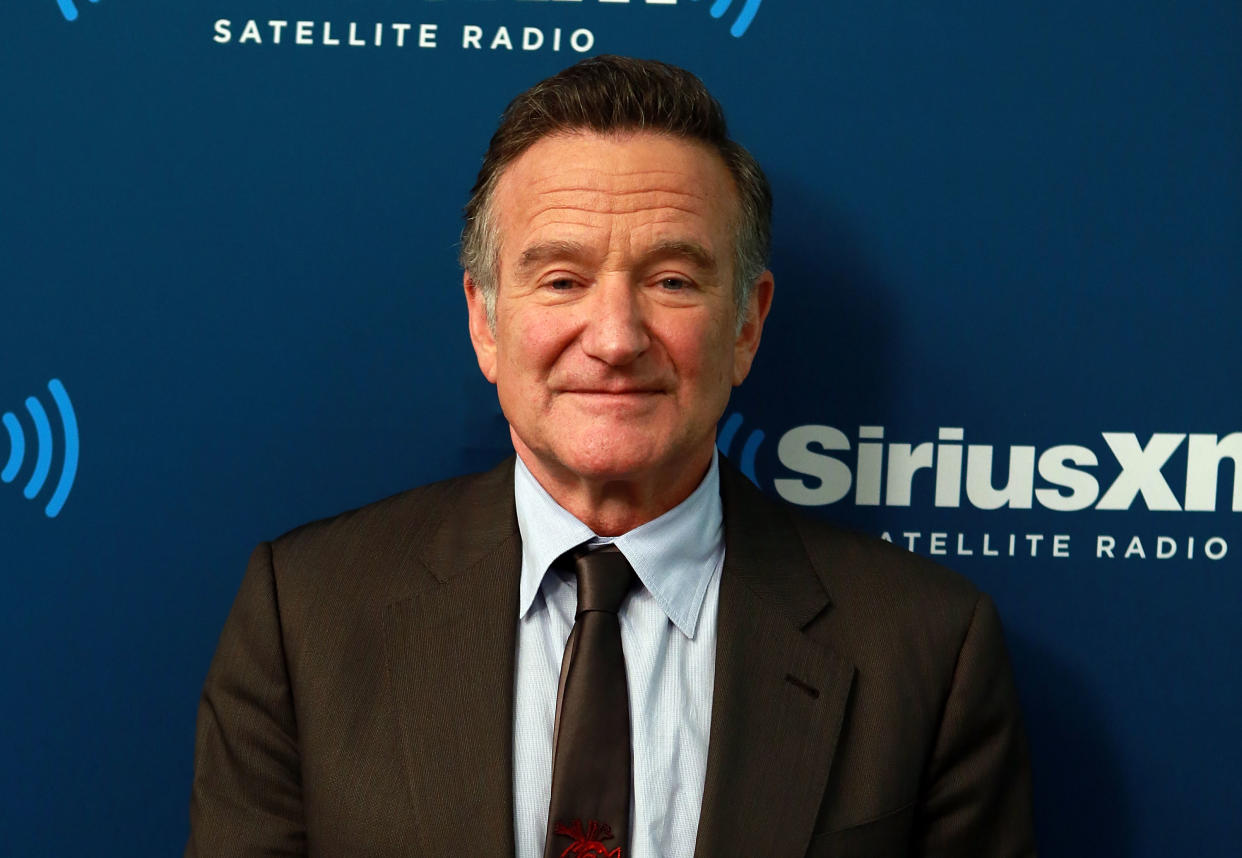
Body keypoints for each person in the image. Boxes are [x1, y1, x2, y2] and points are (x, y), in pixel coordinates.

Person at [186, 56, 1035, 857]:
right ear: (485, 322)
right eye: (561, 279)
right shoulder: (305, 618)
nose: (617, 339)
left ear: (746, 324)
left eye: (672, 280)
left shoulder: (926, 649)